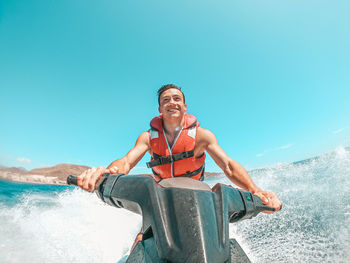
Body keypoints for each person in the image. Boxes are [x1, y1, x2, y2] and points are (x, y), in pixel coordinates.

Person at [77, 84, 282, 248]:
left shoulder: (202, 136)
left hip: (198, 197)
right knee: (141, 242)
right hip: (161, 199)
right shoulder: (148, 138)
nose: (172, 102)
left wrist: (256, 191)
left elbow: (228, 165)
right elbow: (126, 162)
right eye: (166, 100)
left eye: (177, 99)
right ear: (159, 109)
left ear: (185, 106)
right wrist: (108, 173)